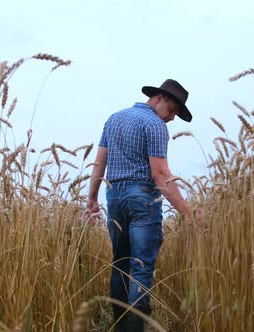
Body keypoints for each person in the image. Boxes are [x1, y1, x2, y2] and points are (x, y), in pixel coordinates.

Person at [84, 79, 196, 331]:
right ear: (159, 98)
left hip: (113, 197)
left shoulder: (113, 119)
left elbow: (99, 163)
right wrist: (188, 212)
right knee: (141, 266)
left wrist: (92, 199)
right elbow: (160, 175)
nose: (172, 119)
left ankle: (120, 326)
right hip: (143, 198)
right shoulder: (155, 124)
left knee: (120, 261)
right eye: (172, 111)